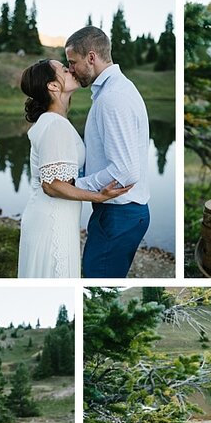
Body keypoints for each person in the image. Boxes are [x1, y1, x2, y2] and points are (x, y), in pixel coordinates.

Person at [17, 61, 129, 278]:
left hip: (57, 215)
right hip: (51, 219)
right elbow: (51, 185)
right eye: (64, 70)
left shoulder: (55, 121)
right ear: (52, 86)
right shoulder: (54, 125)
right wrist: (97, 197)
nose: (71, 70)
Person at [65, 24, 152, 277]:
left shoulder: (113, 98)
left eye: (73, 62)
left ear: (91, 57)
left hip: (118, 214)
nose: (71, 69)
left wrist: (77, 185)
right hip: (119, 213)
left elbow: (125, 171)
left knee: (96, 278)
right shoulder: (117, 90)